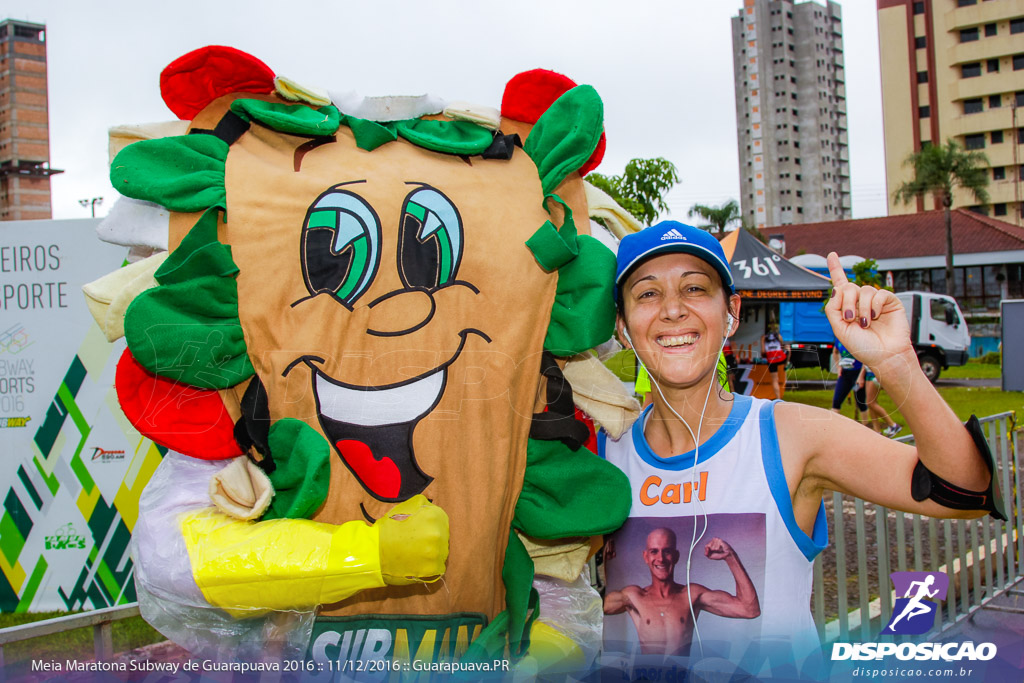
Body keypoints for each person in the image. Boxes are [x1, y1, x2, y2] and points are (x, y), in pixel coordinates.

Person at [600, 221, 1001, 673]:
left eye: (694, 288)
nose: (672, 310)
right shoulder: (600, 454)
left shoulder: (788, 433)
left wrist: (895, 361)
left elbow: (964, 491)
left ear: (731, 311)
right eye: (647, 294)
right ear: (622, 325)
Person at [603, 528, 759, 656]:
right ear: (645, 556)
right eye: (654, 551)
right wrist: (601, 564)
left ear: (676, 556)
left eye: (667, 551)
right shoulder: (634, 597)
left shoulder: (691, 595)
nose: (661, 559)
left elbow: (749, 609)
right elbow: (592, 607)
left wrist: (730, 556)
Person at [830, 338, 869, 427]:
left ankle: (866, 429)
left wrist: (861, 377)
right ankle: (833, 429)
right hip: (845, 373)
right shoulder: (839, 339)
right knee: (836, 401)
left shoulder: (857, 339)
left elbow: (866, 358)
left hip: (858, 373)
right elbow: (835, 352)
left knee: (861, 402)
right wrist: (838, 367)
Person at [863, 369, 903, 438]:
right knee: (871, 403)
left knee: (870, 402)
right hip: (868, 372)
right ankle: (877, 431)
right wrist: (861, 376)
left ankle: (893, 425)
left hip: (874, 373)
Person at [761, 324, 787, 399]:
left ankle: (778, 398)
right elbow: (783, 345)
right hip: (780, 358)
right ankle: (786, 365)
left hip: (771, 359)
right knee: (788, 348)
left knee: (775, 380)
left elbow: (763, 351)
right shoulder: (778, 335)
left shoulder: (763, 337)